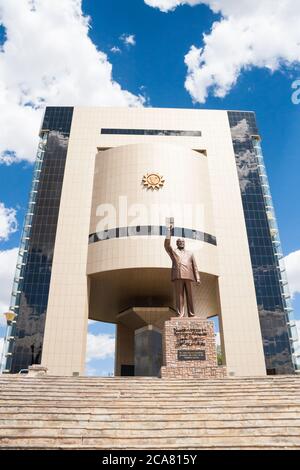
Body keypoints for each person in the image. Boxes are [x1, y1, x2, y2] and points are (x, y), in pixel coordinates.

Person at [164, 222, 200, 317]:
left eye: (183, 242)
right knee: (179, 297)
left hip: (189, 276)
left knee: (190, 296)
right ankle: (180, 314)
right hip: (178, 276)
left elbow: (195, 266)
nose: (181, 243)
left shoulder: (190, 253)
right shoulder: (174, 252)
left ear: (185, 243)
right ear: (177, 243)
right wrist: (169, 232)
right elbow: (167, 245)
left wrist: (198, 278)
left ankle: (192, 314)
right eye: (179, 242)